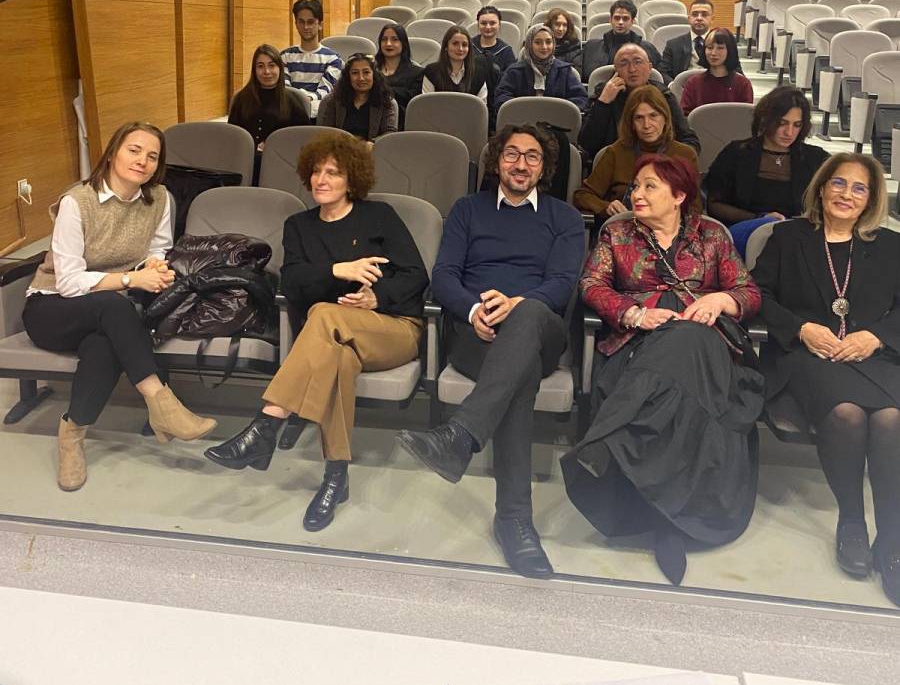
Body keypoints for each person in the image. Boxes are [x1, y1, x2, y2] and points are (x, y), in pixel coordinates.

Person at [205, 132, 427, 531]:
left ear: (352, 179)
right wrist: (338, 270)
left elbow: (416, 275)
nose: (322, 180)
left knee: (322, 313)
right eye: (316, 172)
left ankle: (267, 423)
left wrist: (377, 297)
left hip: (393, 329)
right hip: (333, 339)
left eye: (333, 173)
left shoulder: (379, 216)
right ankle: (335, 477)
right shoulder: (299, 226)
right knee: (335, 352)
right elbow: (292, 284)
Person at [563, 154, 763, 585]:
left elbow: (748, 291)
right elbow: (591, 284)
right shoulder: (617, 233)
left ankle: (605, 439)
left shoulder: (712, 235)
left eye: (649, 186)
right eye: (635, 185)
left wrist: (719, 300)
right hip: (637, 340)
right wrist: (635, 313)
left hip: (705, 344)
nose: (636, 194)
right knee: (675, 381)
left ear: (679, 195)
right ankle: (670, 522)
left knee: (686, 336)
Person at [396, 124, 585, 579]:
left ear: (544, 167)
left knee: (530, 316)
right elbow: (445, 275)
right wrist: (474, 309)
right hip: (476, 334)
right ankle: (514, 521)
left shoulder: (564, 218)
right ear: (496, 161)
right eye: (512, 154)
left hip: (540, 329)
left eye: (532, 156)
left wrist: (518, 305)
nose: (521, 164)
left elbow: (562, 284)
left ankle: (460, 435)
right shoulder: (467, 210)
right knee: (517, 379)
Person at [22, 123, 217, 491]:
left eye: (152, 156)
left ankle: (71, 437)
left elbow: (158, 247)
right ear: (112, 153)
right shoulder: (76, 202)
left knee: (105, 343)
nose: (143, 161)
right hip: (52, 308)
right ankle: (160, 401)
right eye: (134, 150)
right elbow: (68, 282)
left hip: (108, 311)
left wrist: (154, 266)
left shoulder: (159, 198)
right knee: (114, 308)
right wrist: (132, 279)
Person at [752, 153, 900, 605]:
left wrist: (876, 336)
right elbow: (756, 294)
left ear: (871, 199)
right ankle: (852, 521)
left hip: (871, 356)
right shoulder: (788, 237)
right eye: (838, 183)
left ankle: (892, 538)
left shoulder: (892, 246)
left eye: (859, 188)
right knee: (846, 413)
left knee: (891, 418)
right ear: (821, 188)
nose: (846, 194)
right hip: (806, 356)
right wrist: (800, 328)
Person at [705, 86, 829, 258]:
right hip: (745, 231)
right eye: (782, 123)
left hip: (796, 237)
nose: (789, 132)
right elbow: (714, 205)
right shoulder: (737, 153)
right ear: (766, 120)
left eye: (797, 125)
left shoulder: (815, 158)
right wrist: (760, 218)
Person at [574, 85, 699, 217]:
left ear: (665, 118)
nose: (647, 125)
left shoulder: (685, 154)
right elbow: (582, 195)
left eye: (653, 116)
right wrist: (606, 207)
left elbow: (694, 208)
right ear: (631, 123)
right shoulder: (616, 152)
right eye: (639, 118)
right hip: (624, 225)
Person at [579, 43, 700, 160]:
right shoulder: (604, 94)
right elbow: (587, 145)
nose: (632, 69)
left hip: (660, 164)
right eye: (624, 64)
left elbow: (689, 140)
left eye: (638, 62)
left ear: (649, 68)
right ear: (616, 70)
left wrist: (672, 163)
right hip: (618, 164)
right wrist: (603, 103)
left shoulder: (664, 95)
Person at [228, 44, 310, 181]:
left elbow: (302, 140)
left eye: (272, 66)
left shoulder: (292, 101)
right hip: (245, 163)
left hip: (282, 165)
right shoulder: (241, 99)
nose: (266, 71)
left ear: (280, 68)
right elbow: (233, 136)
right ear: (254, 70)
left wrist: (273, 145)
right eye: (260, 66)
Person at [494, 25, 588, 110]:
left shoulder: (564, 71)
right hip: (522, 122)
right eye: (538, 42)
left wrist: (557, 109)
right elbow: (501, 97)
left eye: (548, 42)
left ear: (554, 44)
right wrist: (526, 109)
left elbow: (581, 98)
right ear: (529, 44)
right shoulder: (514, 71)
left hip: (557, 122)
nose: (544, 47)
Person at [281, 0, 343, 116]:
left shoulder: (333, 59)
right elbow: (285, 90)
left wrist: (304, 99)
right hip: (290, 114)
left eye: (310, 22)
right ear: (296, 24)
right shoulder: (285, 56)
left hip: (319, 116)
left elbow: (325, 91)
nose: (306, 27)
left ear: (320, 25)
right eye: (301, 22)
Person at [317, 53, 398, 142]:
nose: (361, 78)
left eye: (366, 72)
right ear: (348, 77)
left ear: (374, 75)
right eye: (355, 73)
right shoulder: (332, 100)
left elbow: (389, 134)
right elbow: (326, 133)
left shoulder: (386, 102)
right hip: (340, 148)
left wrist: (372, 143)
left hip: (374, 149)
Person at [581, 0, 661, 80]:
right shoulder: (592, 47)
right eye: (617, 18)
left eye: (625, 19)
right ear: (610, 20)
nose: (620, 22)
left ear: (632, 21)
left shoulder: (648, 48)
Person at [678, 28, 753, 115]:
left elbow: (745, 117)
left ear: (730, 51)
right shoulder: (693, 83)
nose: (713, 53)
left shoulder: (743, 84)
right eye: (709, 48)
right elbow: (684, 117)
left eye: (720, 48)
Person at [422, 25, 492, 102]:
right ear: (446, 46)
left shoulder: (479, 72)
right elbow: (427, 104)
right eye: (455, 44)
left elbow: (481, 106)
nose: (460, 49)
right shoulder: (431, 71)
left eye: (464, 45)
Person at [374, 24, 423, 128]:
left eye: (395, 39)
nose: (388, 44)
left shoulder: (417, 73)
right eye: (384, 39)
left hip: (402, 125)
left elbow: (413, 103)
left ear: (403, 43)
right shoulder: (370, 71)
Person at [660, 0, 719, 83]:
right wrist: (675, 87)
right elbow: (663, 72)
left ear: (712, 19)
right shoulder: (673, 45)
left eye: (704, 14)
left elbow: (735, 71)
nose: (699, 18)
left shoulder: (723, 44)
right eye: (695, 14)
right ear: (689, 18)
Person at [472, 6, 516, 74]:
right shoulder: (468, 45)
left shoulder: (506, 51)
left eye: (492, 23)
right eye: (483, 23)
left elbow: (510, 77)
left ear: (499, 25)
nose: (488, 27)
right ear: (478, 25)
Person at [543, 7, 583, 72]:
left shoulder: (574, 45)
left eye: (564, 25)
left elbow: (576, 71)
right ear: (549, 25)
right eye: (557, 24)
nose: (561, 29)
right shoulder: (542, 44)